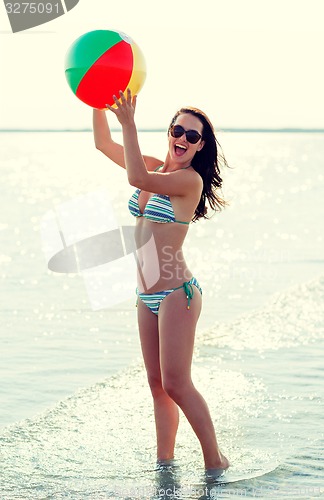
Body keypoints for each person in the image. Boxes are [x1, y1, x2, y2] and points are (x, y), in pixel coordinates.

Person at [92, 89, 230, 476]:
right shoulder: (156, 168)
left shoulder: (189, 182)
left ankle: (214, 461)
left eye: (193, 136)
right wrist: (95, 96)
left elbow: (135, 176)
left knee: (177, 384)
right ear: (169, 132)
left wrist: (129, 122)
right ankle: (165, 464)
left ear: (201, 147)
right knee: (157, 384)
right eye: (178, 130)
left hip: (176, 294)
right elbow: (103, 144)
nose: (183, 139)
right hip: (144, 295)